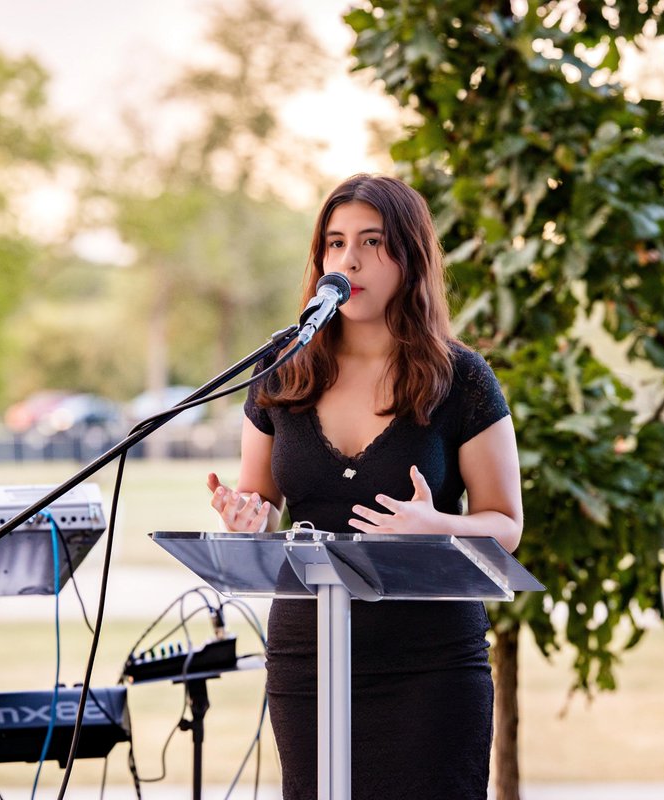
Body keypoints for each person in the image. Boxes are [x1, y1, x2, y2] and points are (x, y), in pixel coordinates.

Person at [205, 173, 523, 800]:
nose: (349, 259)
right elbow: (261, 502)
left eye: (372, 242)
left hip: (429, 665)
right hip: (308, 655)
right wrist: (248, 516)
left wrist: (439, 529)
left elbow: (504, 527)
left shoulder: (461, 377)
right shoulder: (280, 367)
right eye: (334, 242)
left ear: (410, 257)